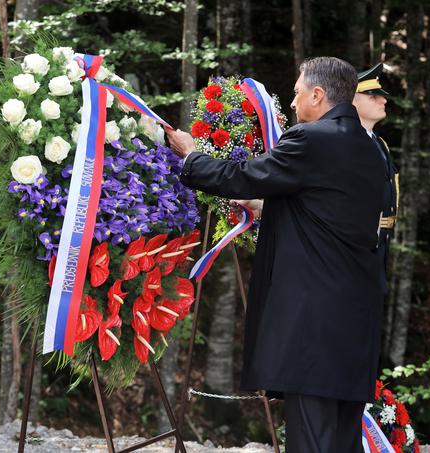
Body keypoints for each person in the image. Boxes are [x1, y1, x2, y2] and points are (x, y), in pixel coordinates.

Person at [165, 57, 386, 452]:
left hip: (312, 321)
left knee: (311, 440)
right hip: (355, 319)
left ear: (318, 95)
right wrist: (267, 208)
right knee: (342, 440)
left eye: (298, 93)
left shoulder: (313, 139)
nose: (293, 102)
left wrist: (191, 156)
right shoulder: (371, 151)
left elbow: (242, 175)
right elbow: (329, 212)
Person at [353, 62, 399, 294]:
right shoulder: (344, 142)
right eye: (372, 95)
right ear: (351, 100)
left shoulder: (379, 144)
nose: (383, 100)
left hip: (378, 248)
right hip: (353, 251)